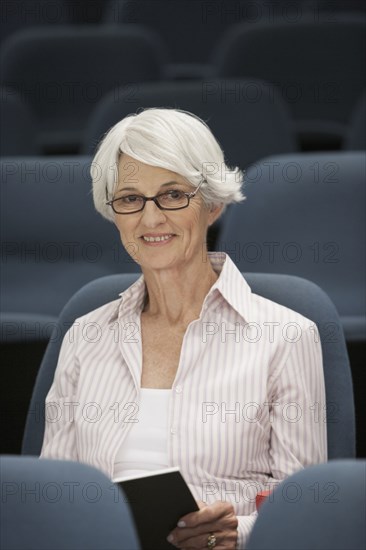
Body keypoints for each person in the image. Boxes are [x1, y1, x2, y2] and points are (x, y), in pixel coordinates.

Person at [40, 108, 327, 549]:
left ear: (211, 204)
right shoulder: (85, 335)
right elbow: (51, 498)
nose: (151, 219)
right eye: (131, 199)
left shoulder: (286, 337)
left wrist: (233, 535)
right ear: (113, 212)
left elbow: (306, 513)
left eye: (173, 194)